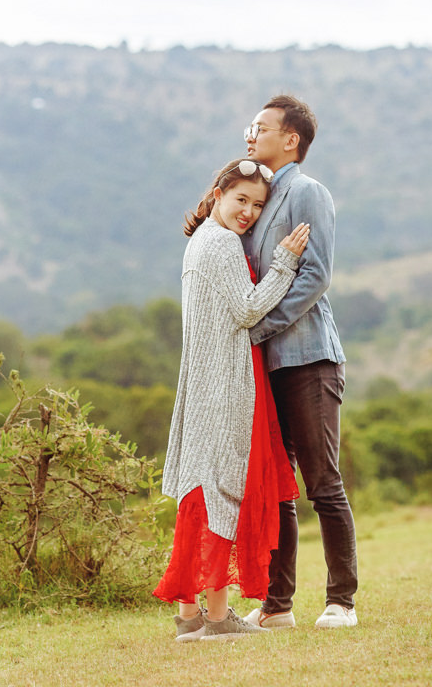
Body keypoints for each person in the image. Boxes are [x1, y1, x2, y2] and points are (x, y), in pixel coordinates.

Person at [155, 157, 312, 642]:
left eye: (257, 205)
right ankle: (219, 618)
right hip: (224, 382)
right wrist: (286, 262)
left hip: (205, 380)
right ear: (219, 192)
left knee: (201, 490)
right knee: (223, 489)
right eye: (240, 199)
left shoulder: (202, 237)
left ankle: (190, 615)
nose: (248, 212)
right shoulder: (221, 242)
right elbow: (246, 310)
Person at [240, 95, 359, 630]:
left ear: (291, 139)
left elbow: (315, 276)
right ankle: (277, 606)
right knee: (278, 486)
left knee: (321, 482)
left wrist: (256, 329)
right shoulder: (262, 198)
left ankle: (341, 602)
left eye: (260, 127)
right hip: (268, 367)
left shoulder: (307, 192)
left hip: (308, 358)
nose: (250, 134)